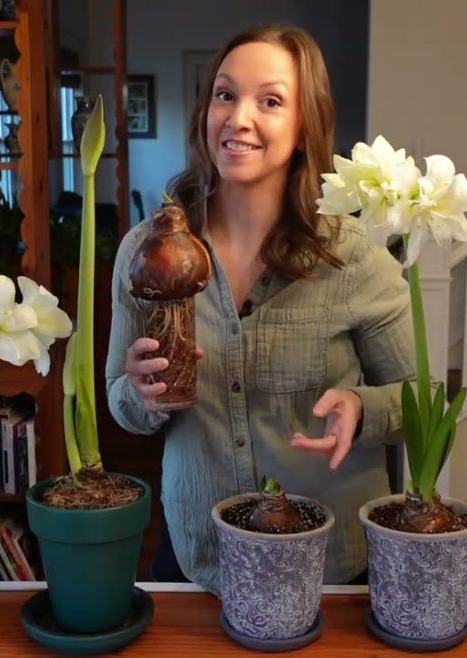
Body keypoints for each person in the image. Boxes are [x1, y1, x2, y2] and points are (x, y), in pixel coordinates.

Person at [104, 24, 415, 594]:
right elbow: (120, 401)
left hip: (330, 562)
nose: (238, 117)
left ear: (303, 127)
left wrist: (360, 407)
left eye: (269, 101)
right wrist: (142, 394)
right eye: (225, 94)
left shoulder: (356, 257)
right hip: (199, 551)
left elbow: (422, 401)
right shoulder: (145, 252)